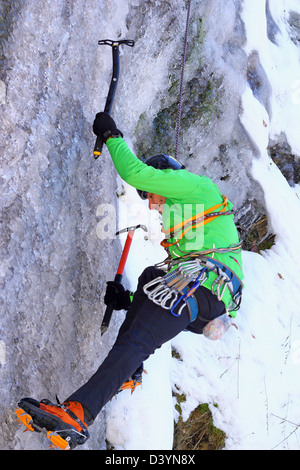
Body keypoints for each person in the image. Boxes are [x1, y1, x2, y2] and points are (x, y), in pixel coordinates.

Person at [16, 113, 244, 450]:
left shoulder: (193, 186)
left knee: (137, 340)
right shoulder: (193, 222)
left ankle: (78, 414)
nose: (151, 203)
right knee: (153, 276)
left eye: (151, 194)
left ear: (165, 178)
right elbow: (165, 279)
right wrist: (129, 300)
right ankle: (129, 372)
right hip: (207, 300)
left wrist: (111, 134)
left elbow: (133, 172)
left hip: (202, 289)